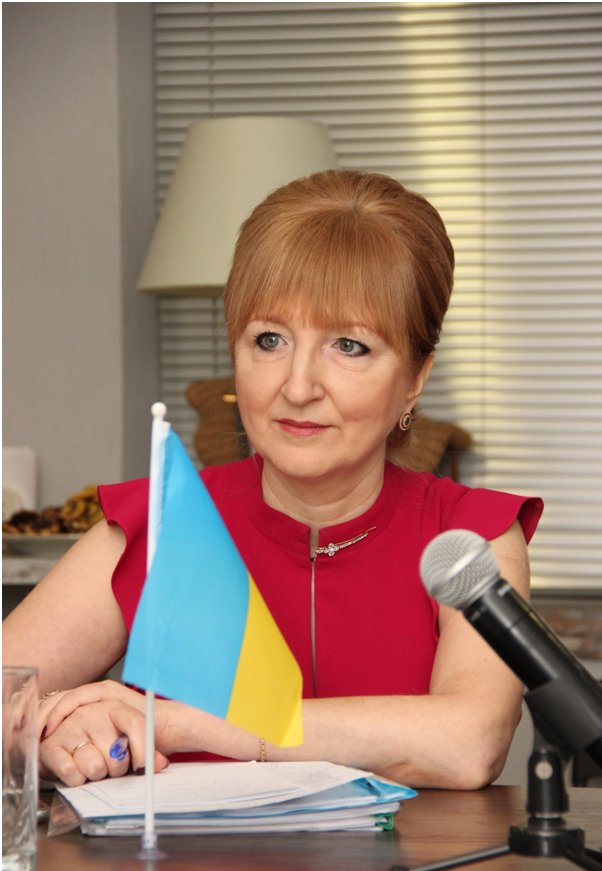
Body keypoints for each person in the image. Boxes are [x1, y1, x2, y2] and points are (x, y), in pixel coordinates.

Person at [3, 169, 543, 790]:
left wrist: (189, 725)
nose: (298, 386)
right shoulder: (164, 520)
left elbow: (471, 742)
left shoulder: (471, 536)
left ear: (415, 378)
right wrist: (52, 735)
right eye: (269, 339)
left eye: (349, 345)